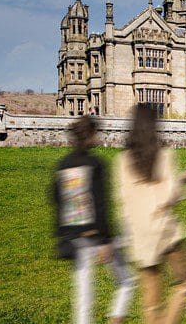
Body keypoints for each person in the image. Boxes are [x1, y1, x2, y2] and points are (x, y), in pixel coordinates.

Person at [116, 105, 186, 324]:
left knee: (151, 305)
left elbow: (124, 200)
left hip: (139, 233)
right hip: (164, 232)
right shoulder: (163, 155)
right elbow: (169, 195)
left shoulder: (123, 160)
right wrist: (184, 178)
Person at [51, 115, 134, 324]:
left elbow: (56, 199)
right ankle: (115, 318)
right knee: (126, 281)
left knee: (83, 298)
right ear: (90, 135)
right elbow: (100, 202)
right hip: (97, 235)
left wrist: (63, 234)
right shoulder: (96, 163)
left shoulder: (63, 165)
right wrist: (105, 240)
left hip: (74, 236)